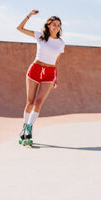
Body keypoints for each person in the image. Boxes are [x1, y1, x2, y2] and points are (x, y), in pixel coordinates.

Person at [16, 10, 65, 145]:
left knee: (39, 103)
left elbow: (57, 61)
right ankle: (24, 127)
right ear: (48, 25)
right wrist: (29, 15)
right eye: (54, 24)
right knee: (30, 102)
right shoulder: (40, 36)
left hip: (49, 73)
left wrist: (56, 77)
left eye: (59, 25)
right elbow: (19, 28)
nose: (56, 27)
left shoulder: (61, 43)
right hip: (35, 70)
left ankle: (29, 128)